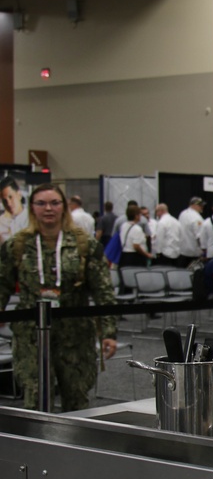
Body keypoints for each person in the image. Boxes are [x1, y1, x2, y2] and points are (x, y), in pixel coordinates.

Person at [0, 183, 118, 411]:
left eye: (55, 203)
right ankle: (38, 445)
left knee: (76, 397)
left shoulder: (85, 245)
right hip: (31, 334)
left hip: (75, 334)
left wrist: (109, 332)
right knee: (35, 397)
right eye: (41, 203)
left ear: (64, 207)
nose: (48, 209)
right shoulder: (18, 245)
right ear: (31, 207)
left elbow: (103, 291)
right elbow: (2, 286)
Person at [178, 196, 205, 266]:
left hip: (182, 252)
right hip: (193, 254)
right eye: (200, 205)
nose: (202, 207)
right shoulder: (197, 218)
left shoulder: (182, 214)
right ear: (194, 205)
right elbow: (199, 237)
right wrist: (204, 251)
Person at [0, 176, 28, 245]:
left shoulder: (33, 218)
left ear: (19, 195)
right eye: (4, 201)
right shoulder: (1, 222)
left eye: (10, 197)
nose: (8, 204)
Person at [152, 203, 181, 267]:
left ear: (161, 211)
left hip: (165, 255)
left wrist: (158, 253)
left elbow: (159, 239)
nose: (156, 214)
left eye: (157, 211)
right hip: (176, 253)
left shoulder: (162, 222)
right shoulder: (176, 221)